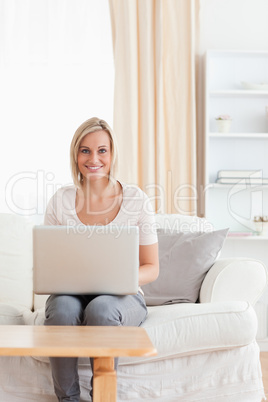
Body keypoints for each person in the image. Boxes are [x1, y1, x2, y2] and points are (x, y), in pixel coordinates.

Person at [44, 117, 159, 401]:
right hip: (71, 293)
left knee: (102, 309)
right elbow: (47, 264)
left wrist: (118, 278)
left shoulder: (136, 200)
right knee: (62, 309)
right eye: (85, 150)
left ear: (112, 154)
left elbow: (152, 267)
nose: (93, 158)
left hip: (121, 297)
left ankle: (102, 398)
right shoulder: (60, 200)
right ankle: (67, 399)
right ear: (75, 154)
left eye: (102, 150)